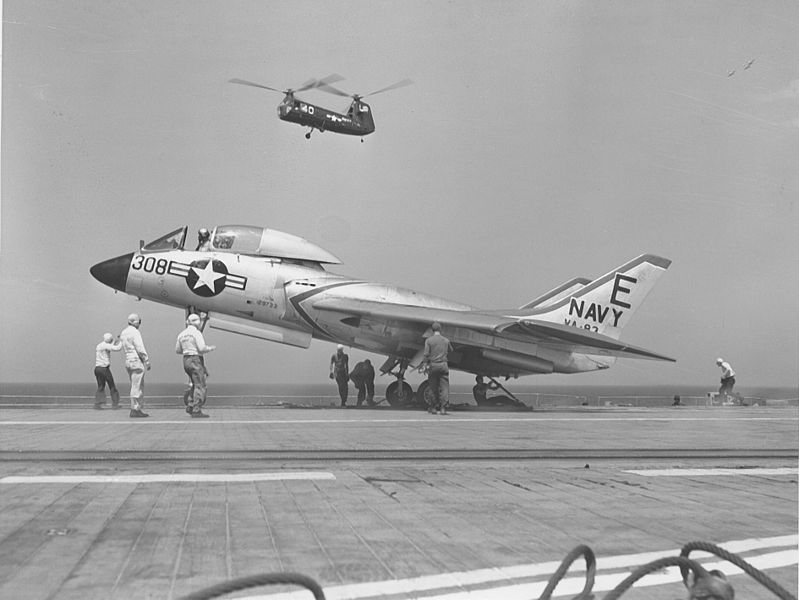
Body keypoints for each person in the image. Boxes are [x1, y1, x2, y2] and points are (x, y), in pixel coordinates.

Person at [176, 314, 216, 418]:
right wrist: (210, 348)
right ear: (197, 322)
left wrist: (187, 349)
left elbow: (178, 350)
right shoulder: (196, 333)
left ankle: (190, 405)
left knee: (194, 383)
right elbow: (202, 348)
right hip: (195, 359)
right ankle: (196, 409)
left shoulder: (182, 334)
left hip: (186, 360)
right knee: (200, 385)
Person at [119, 313, 151, 418]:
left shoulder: (123, 332)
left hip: (128, 361)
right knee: (137, 386)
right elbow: (139, 347)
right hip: (136, 360)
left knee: (133, 385)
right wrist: (146, 360)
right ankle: (135, 409)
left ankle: (134, 407)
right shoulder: (135, 332)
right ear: (136, 322)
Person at [421, 322, 453, 415]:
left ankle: (433, 407)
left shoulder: (429, 340)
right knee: (444, 387)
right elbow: (451, 350)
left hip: (433, 365)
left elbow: (426, 354)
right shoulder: (446, 340)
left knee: (432, 387)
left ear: (432, 330)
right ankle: (443, 408)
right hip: (443, 365)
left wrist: (424, 365)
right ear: (440, 329)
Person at [93, 333, 122, 409]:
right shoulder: (106, 346)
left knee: (101, 386)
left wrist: (117, 340)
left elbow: (111, 345)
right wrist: (122, 340)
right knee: (112, 386)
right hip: (104, 369)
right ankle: (115, 403)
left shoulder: (99, 345)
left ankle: (98, 403)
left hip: (97, 368)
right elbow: (117, 348)